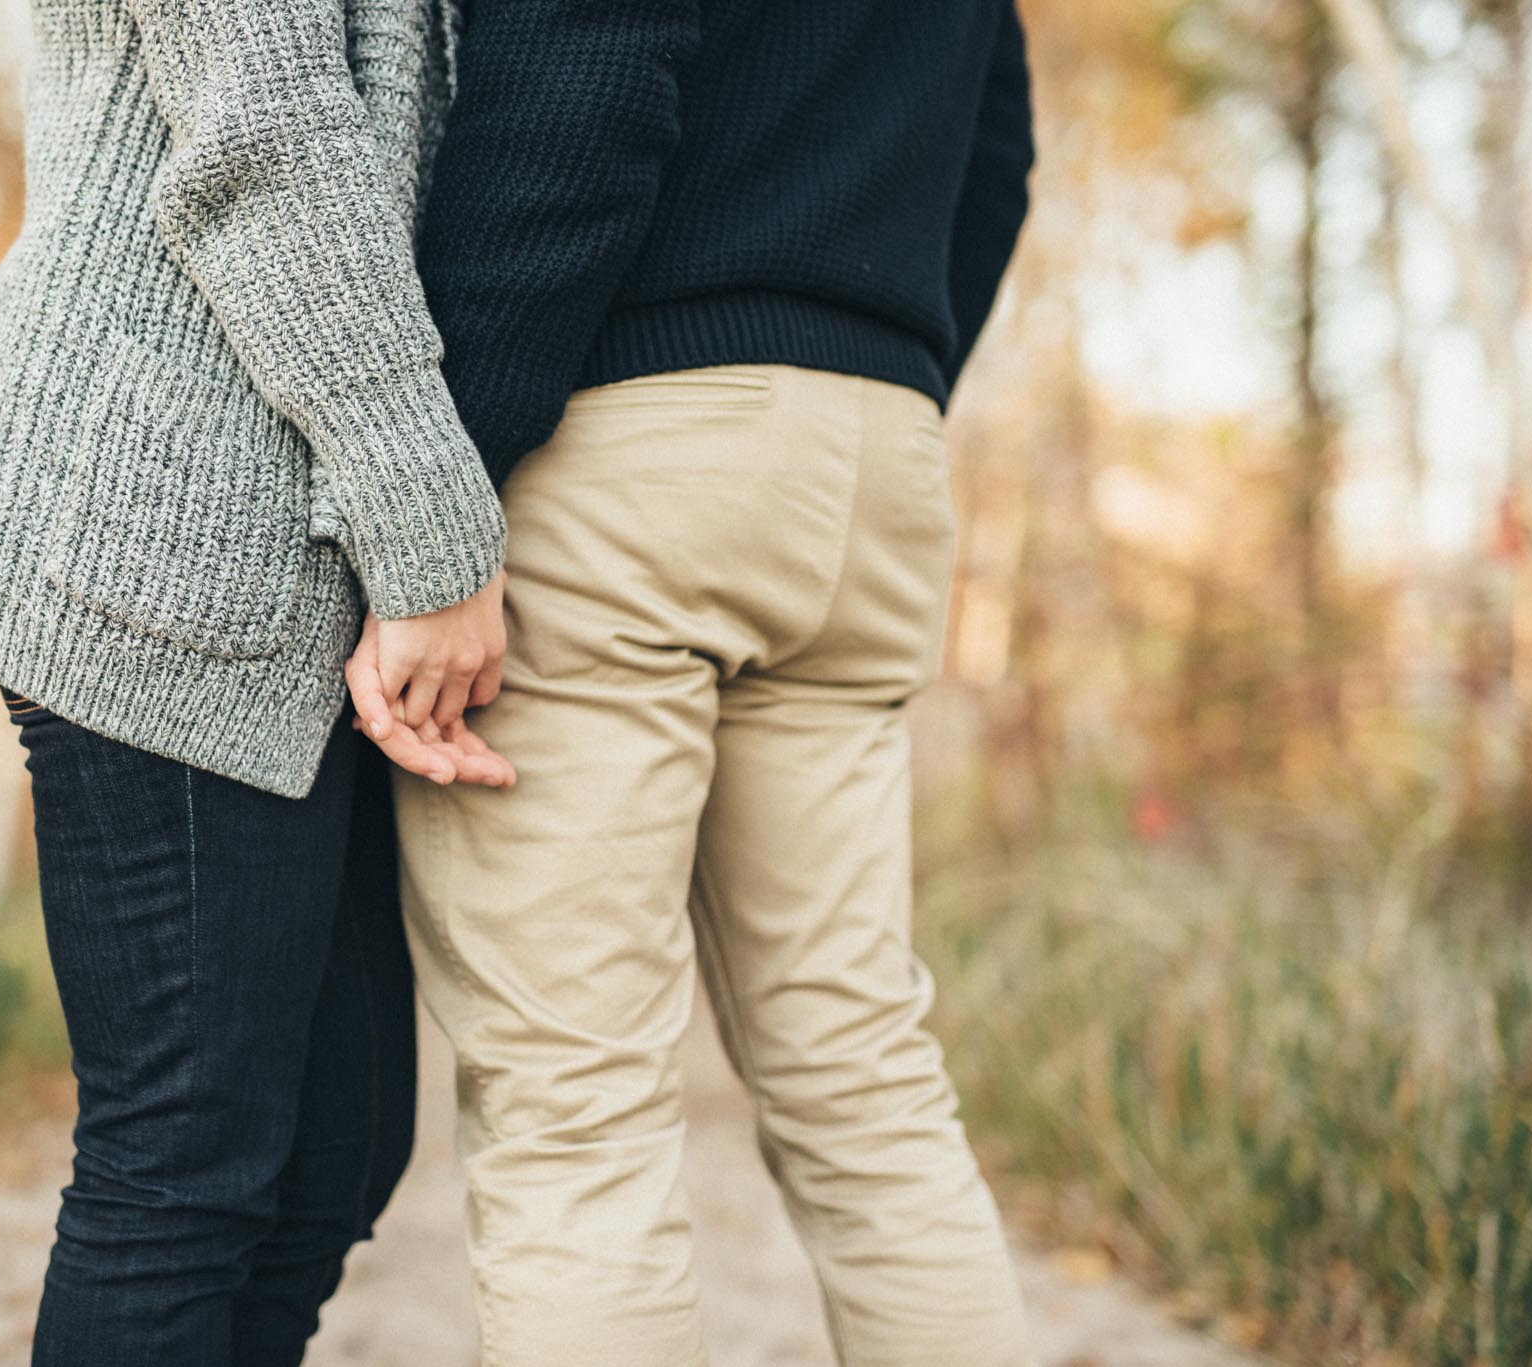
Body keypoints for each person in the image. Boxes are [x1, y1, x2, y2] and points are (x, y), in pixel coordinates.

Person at [374, 0, 1041, 1361]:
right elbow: (1000, 153)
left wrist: (447, 485)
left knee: (577, 1108)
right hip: (876, 464)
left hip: (629, 444)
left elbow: (584, 87)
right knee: (865, 1085)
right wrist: (877, 374)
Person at [0, 1, 513, 1363]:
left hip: (302, 549)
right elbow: (266, 136)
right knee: (184, 1168)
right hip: (151, 526)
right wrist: (431, 532)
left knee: (337, 1146)